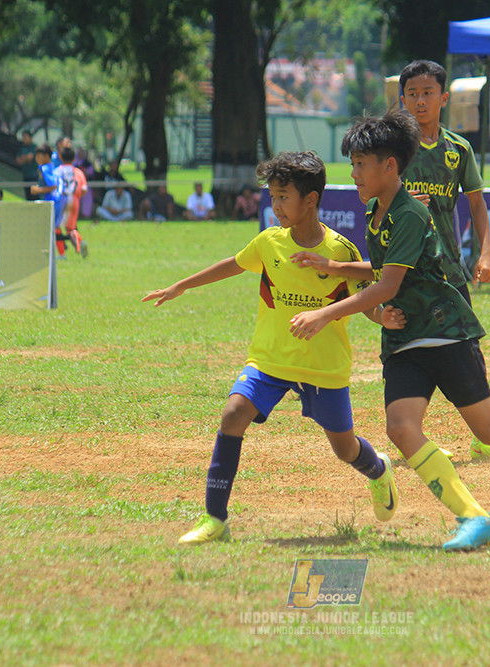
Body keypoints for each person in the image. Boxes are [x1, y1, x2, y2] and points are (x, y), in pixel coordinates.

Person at [289, 111, 490, 552]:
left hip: (445, 332)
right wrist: (336, 266)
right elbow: (386, 267)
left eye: (362, 163)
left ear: (391, 166)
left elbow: (387, 285)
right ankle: (475, 517)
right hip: (404, 340)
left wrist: (325, 314)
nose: (354, 172)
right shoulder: (375, 211)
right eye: (354, 162)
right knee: (401, 429)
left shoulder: (409, 215)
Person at [141, 150, 398, 545]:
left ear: (310, 200)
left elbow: (365, 299)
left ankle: (378, 470)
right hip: (270, 360)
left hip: (322, 366)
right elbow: (233, 263)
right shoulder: (268, 243)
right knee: (233, 414)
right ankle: (215, 519)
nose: (275, 206)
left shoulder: (341, 252)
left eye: (283, 197)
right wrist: (182, 285)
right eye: (273, 197)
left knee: (345, 449)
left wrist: (383, 317)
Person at [399, 60, 490, 305]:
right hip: (402, 268)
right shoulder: (391, 148)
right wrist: (400, 201)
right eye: (413, 94)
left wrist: (486, 253)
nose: (420, 100)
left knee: (467, 341)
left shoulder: (459, 149)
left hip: (448, 267)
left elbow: (476, 204)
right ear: (403, 101)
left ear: (443, 98)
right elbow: (369, 198)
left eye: (428, 93)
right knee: (412, 342)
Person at [31, 144, 67, 258]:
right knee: (55, 228)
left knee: (49, 228)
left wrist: (37, 190)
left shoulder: (44, 168)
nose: (36, 158)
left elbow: (53, 185)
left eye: (39, 155)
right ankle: (60, 252)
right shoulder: (52, 166)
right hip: (58, 200)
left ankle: (50, 252)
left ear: (46, 156)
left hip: (51, 202)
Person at [54, 145, 89, 258]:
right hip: (74, 199)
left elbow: (54, 186)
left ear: (60, 157)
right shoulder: (77, 172)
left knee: (56, 227)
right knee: (71, 227)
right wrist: (77, 197)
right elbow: (84, 189)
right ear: (74, 158)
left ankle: (62, 254)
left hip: (62, 199)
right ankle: (80, 243)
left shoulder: (58, 171)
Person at [16, 130, 40, 200]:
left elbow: (30, 158)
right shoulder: (22, 149)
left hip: (34, 176)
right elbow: (18, 160)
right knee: (28, 196)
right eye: (23, 137)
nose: (24, 139)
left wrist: (24, 158)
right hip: (26, 176)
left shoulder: (34, 148)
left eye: (26, 137)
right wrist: (25, 158)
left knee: (35, 196)